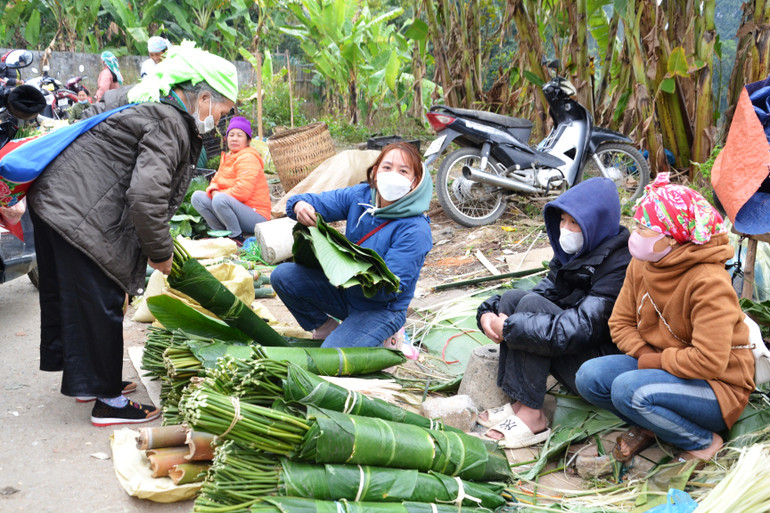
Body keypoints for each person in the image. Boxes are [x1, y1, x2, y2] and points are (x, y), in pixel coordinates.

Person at [26, 43, 238, 426]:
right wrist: (160, 252)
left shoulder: (142, 99)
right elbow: (145, 194)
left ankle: (87, 383)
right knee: (102, 299)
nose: (219, 121)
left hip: (56, 199)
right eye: (221, 112)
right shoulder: (171, 123)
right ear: (204, 97)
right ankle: (108, 402)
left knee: (78, 300)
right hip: (77, 210)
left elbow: (89, 113)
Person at [575, 173, 755, 463]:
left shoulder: (709, 282)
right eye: (637, 224)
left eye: (644, 228)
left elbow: (710, 360)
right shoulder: (643, 263)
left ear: (671, 239)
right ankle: (654, 423)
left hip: (717, 386)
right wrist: (647, 356)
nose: (635, 234)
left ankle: (704, 441)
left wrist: (653, 363)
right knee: (589, 377)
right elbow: (619, 323)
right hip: (664, 366)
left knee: (627, 390)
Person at [474, 177, 630, 449]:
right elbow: (541, 292)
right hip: (574, 348)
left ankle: (533, 417)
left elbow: (582, 327)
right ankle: (521, 404)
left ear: (597, 224)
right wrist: (488, 313)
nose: (565, 230)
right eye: (562, 221)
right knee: (515, 299)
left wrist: (511, 329)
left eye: (574, 223)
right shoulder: (576, 253)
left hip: (598, 367)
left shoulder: (619, 264)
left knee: (530, 311)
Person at [271, 141, 433, 348]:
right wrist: (299, 205)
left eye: (403, 171)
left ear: (415, 181)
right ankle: (326, 327)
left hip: (381, 309)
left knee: (332, 356)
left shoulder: (415, 229)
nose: (393, 175)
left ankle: (385, 335)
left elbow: (390, 288)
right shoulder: (360, 196)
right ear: (375, 172)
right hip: (346, 292)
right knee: (283, 276)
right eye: (387, 167)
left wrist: (345, 269)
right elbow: (309, 201)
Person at [190, 116, 271, 243]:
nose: (234, 138)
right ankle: (220, 235)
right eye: (231, 135)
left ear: (248, 140)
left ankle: (235, 237)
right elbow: (214, 182)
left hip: (256, 216)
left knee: (219, 199)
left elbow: (242, 192)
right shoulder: (228, 157)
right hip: (234, 208)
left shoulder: (248, 157)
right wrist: (214, 191)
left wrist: (218, 194)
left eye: (240, 135)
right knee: (198, 197)